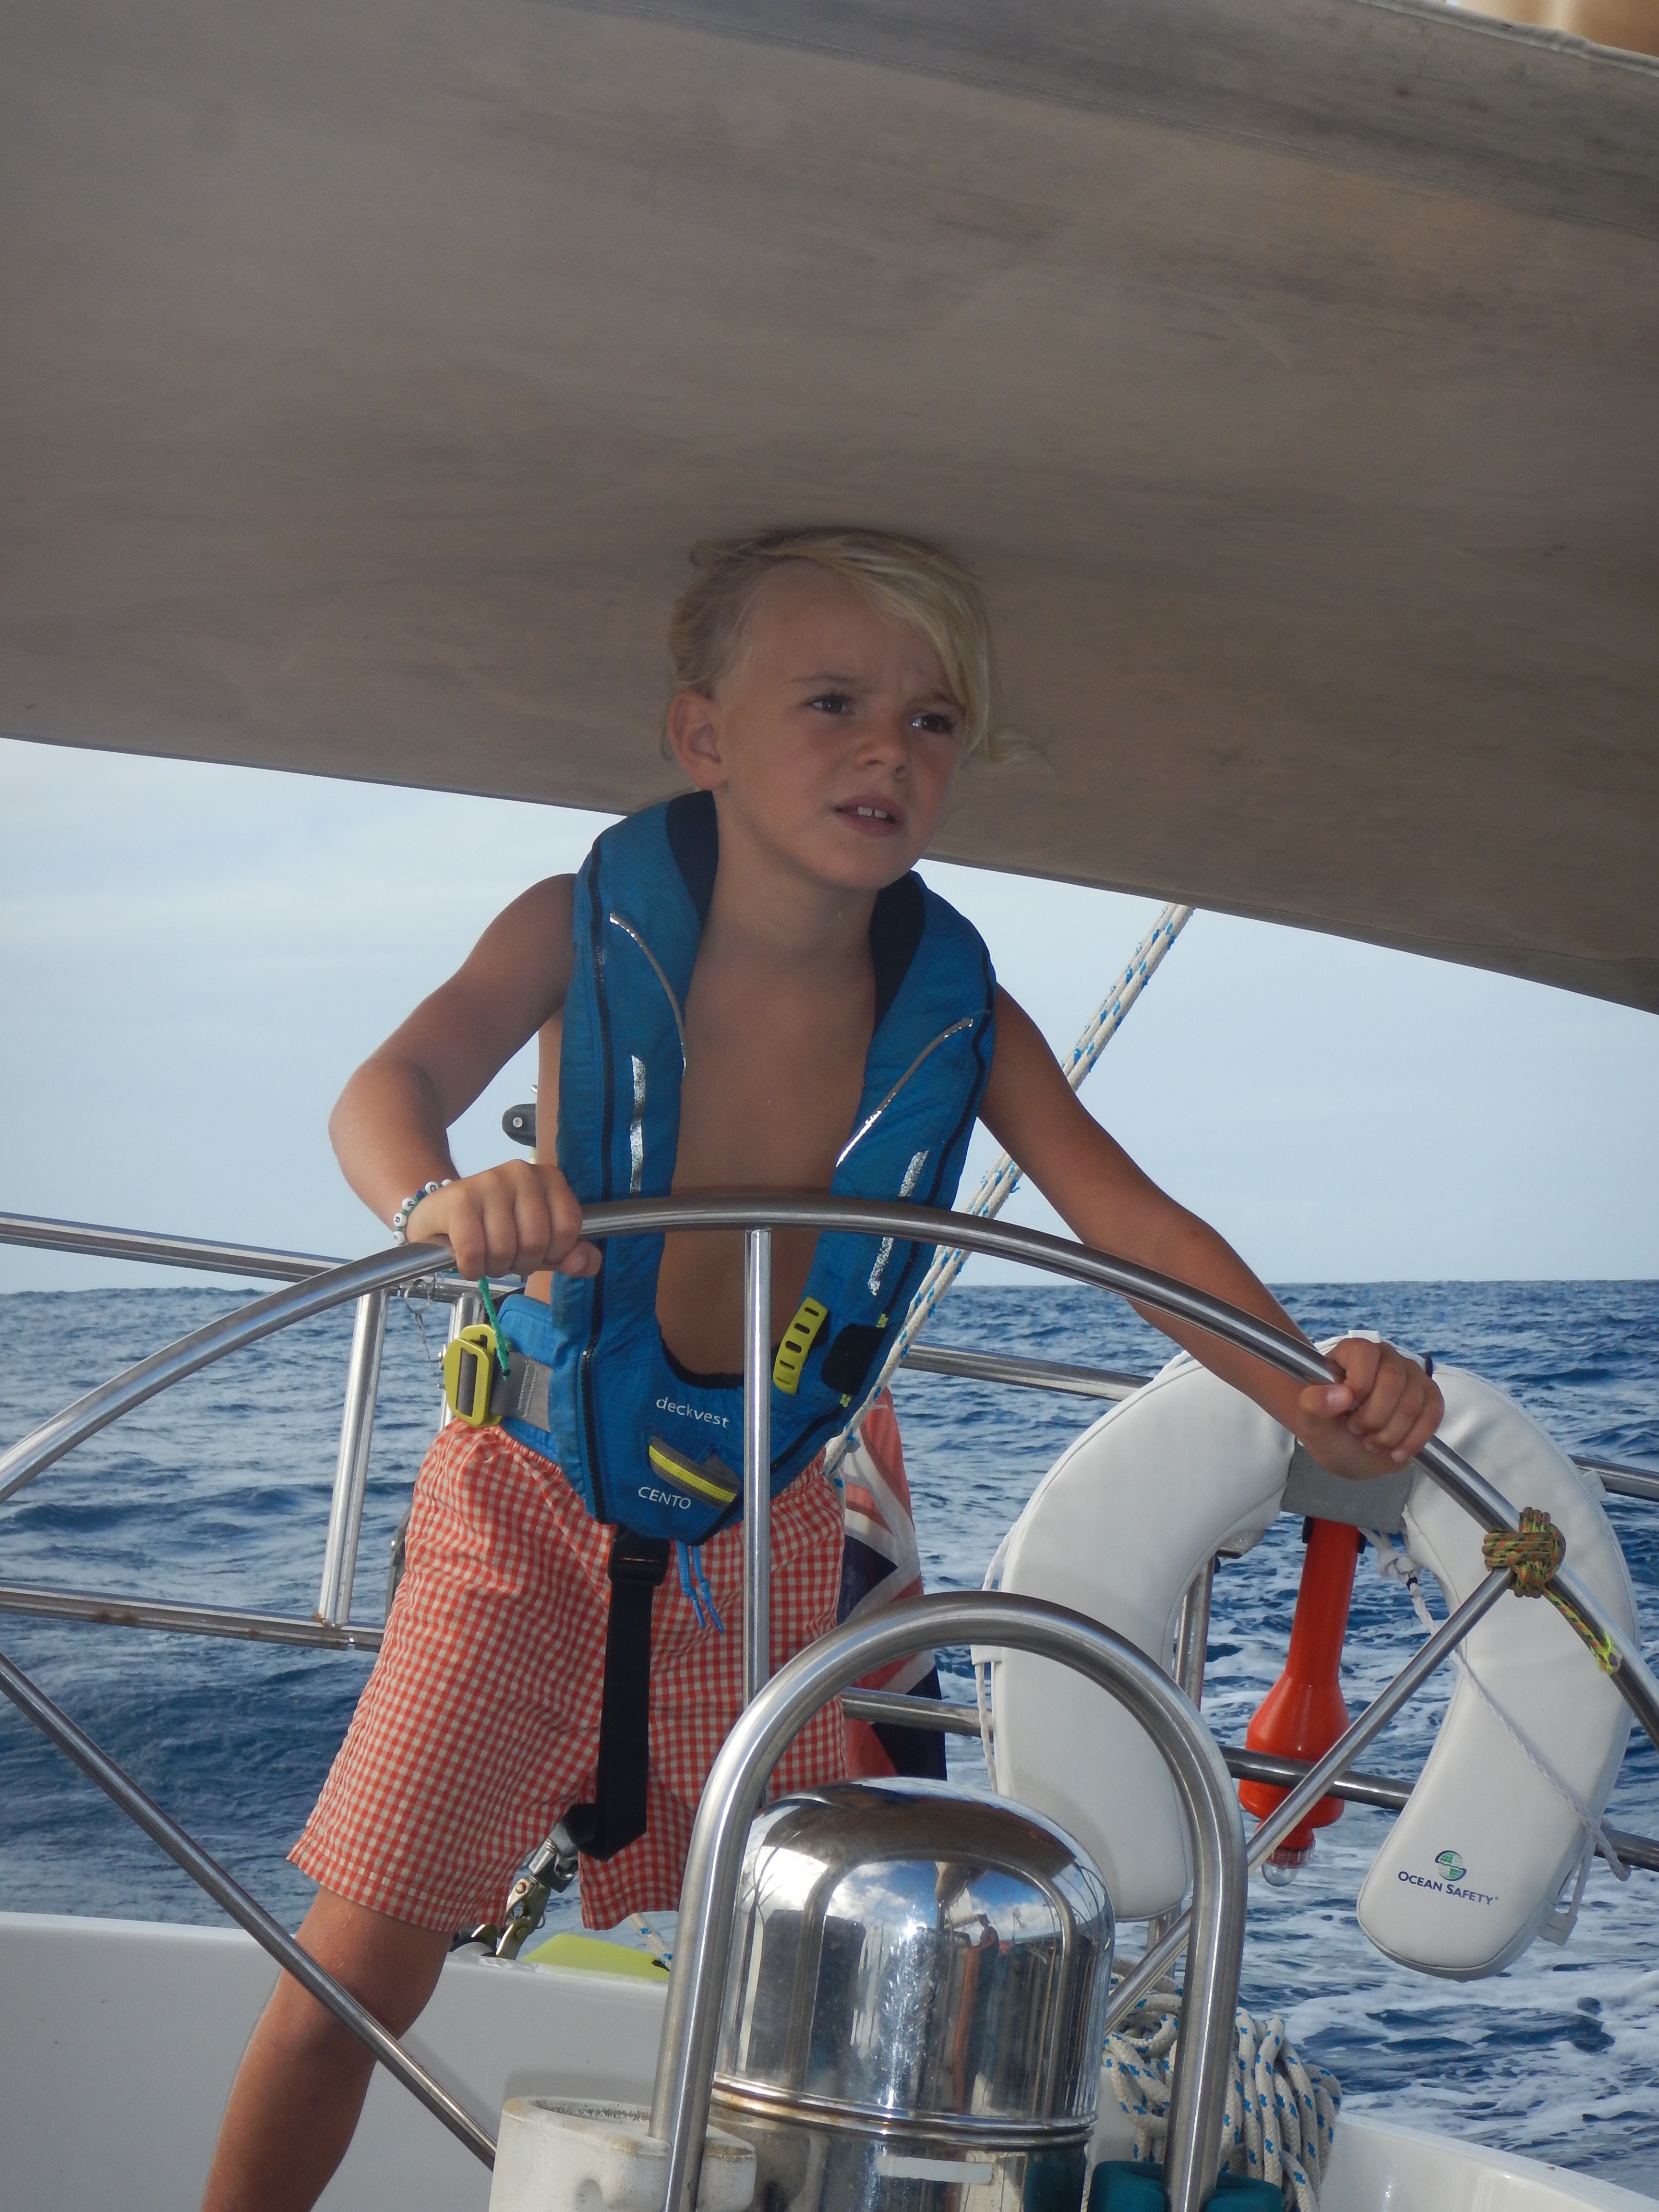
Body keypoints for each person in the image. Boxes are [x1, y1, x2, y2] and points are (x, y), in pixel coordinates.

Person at [203, 528, 1442, 2211]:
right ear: (702, 734)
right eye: (834, 703)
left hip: (768, 1540)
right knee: (346, 1992)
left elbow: (1134, 1226)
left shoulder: (963, 1011)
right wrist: (440, 1198)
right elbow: (388, 1086)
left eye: (933, 722)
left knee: (798, 2010)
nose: (889, 752)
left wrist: (1311, 1391)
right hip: (520, 1515)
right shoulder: (574, 925)